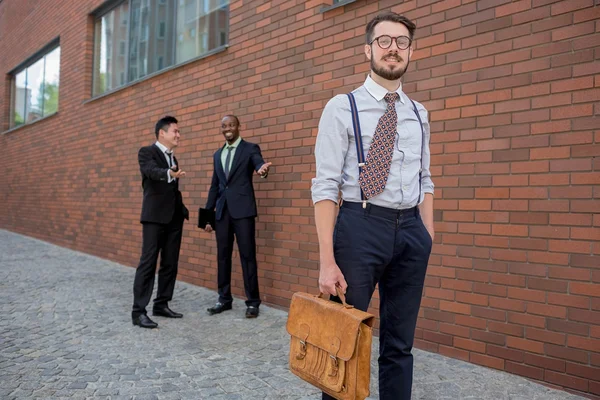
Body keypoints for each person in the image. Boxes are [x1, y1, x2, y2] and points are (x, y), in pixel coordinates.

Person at [311, 12, 434, 400]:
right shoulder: (341, 107)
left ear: (411, 51)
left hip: (411, 232)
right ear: (368, 49)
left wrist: (427, 235)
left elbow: (425, 179)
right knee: (342, 340)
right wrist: (326, 260)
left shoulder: (419, 113)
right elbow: (325, 186)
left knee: (399, 344)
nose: (393, 48)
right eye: (384, 40)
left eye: (401, 42)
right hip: (360, 228)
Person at [204, 115, 271, 318]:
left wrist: (262, 171)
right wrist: (207, 217)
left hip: (243, 212)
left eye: (231, 125)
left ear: (238, 126)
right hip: (222, 213)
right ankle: (223, 299)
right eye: (224, 126)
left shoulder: (250, 148)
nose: (228, 128)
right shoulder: (218, 154)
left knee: (247, 256)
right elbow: (215, 186)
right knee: (222, 257)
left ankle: (253, 302)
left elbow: (258, 165)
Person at [132, 116, 189, 329]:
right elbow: (151, 172)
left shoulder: (173, 158)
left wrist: (181, 209)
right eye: (175, 131)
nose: (178, 135)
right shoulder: (147, 153)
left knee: (170, 263)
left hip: (173, 218)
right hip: (154, 218)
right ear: (162, 133)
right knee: (148, 262)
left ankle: (161, 304)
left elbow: (172, 189)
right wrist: (168, 173)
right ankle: (138, 312)